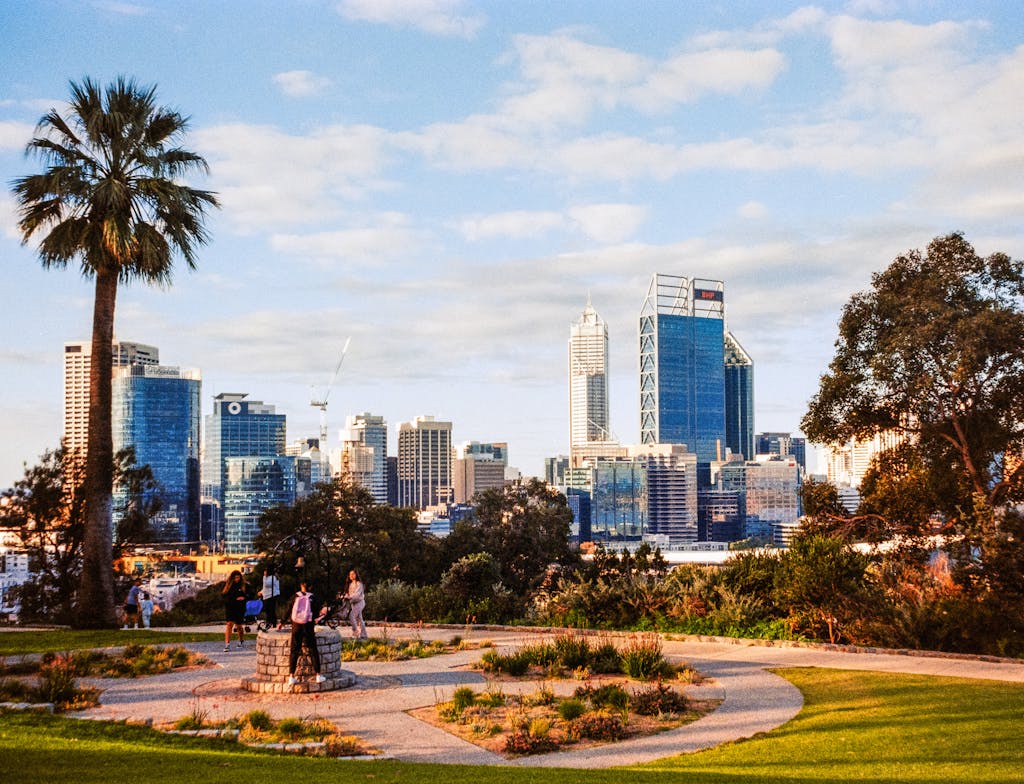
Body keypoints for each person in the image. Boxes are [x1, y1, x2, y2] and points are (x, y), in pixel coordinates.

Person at [287, 581, 326, 686]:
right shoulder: (313, 598)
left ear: (301, 586)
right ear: (310, 587)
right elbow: (317, 613)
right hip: (308, 627)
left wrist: (282, 622)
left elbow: (289, 610)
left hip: (296, 626)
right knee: (313, 649)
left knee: (294, 650)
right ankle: (318, 675)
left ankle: (291, 676)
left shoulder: (295, 596)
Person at [221, 570, 248, 652]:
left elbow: (249, 594)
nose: (237, 579)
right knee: (229, 624)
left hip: (239, 607)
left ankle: (241, 640)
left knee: (239, 626)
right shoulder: (228, 586)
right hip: (230, 607)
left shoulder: (244, 586)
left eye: (238, 577)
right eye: (235, 577)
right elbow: (224, 595)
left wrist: (244, 598)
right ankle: (227, 644)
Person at [343, 568, 368, 639]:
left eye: (353, 574)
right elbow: (348, 594)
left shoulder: (359, 584)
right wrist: (345, 596)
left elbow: (356, 595)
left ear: (356, 575)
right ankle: (364, 635)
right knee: (359, 619)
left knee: (351, 615)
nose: (351, 575)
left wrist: (349, 597)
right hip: (353, 603)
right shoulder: (350, 585)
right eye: (350, 574)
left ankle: (356, 632)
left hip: (360, 602)